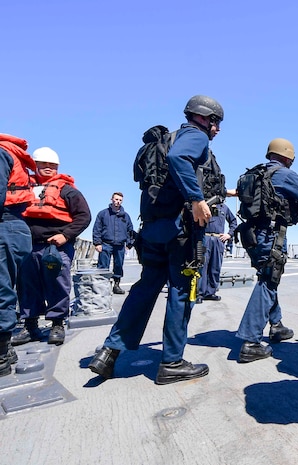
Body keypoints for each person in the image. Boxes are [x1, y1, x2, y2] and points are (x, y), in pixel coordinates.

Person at [88, 94, 224, 385]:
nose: (217, 129)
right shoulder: (194, 137)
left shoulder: (164, 141)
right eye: (216, 122)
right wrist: (197, 199)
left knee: (145, 288)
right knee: (181, 290)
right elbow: (180, 159)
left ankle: (109, 352)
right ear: (204, 118)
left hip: (152, 230)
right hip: (181, 233)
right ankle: (172, 362)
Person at [236, 138, 298, 363]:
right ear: (288, 156)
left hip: (251, 235)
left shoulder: (254, 173)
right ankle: (250, 341)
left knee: (268, 276)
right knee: (268, 281)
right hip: (272, 235)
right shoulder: (285, 175)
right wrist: (295, 210)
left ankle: (277, 325)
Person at [12, 146, 91, 347]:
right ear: (35, 165)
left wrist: (65, 235)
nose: (48, 168)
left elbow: (84, 216)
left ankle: (57, 323)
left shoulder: (68, 191)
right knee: (27, 286)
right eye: (44, 164)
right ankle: (30, 325)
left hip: (56, 248)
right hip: (28, 246)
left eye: (52, 165)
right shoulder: (24, 188)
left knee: (57, 284)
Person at [0, 134, 35, 376]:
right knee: (6, 288)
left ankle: (1, 353)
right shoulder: (11, 152)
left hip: (6, 225)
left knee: (2, 289)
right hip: (16, 227)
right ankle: (5, 347)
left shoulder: (1, 152)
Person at [92, 192, 135, 294]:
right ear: (111, 199)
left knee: (119, 265)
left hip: (120, 245)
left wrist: (129, 244)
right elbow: (97, 229)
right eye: (116, 199)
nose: (117, 202)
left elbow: (130, 231)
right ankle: (102, 287)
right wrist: (97, 243)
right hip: (105, 244)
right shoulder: (103, 214)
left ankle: (116, 285)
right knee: (103, 266)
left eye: (120, 200)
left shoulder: (126, 216)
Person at [197, 202, 236, 302]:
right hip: (205, 238)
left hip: (218, 240)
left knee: (215, 266)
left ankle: (210, 292)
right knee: (202, 266)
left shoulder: (224, 208)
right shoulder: (205, 204)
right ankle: (200, 293)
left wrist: (229, 234)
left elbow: (233, 221)